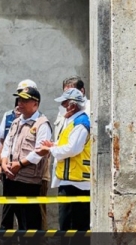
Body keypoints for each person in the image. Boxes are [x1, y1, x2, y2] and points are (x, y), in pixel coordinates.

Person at [37, 88, 91, 240]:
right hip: (70, 181)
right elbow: (67, 145)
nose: (61, 106)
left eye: (63, 103)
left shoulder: (81, 123)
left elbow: (72, 149)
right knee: (67, 227)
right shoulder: (72, 122)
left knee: (75, 229)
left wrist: (50, 148)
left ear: (72, 106)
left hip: (77, 184)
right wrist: (53, 145)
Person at [0, 87, 52, 239]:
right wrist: (4, 163)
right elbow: (7, 145)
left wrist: (19, 165)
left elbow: (40, 152)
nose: (19, 103)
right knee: (8, 219)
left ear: (35, 104)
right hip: (11, 177)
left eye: (24, 100)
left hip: (29, 181)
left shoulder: (42, 124)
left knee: (30, 223)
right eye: (19, 99)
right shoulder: (16, 122)